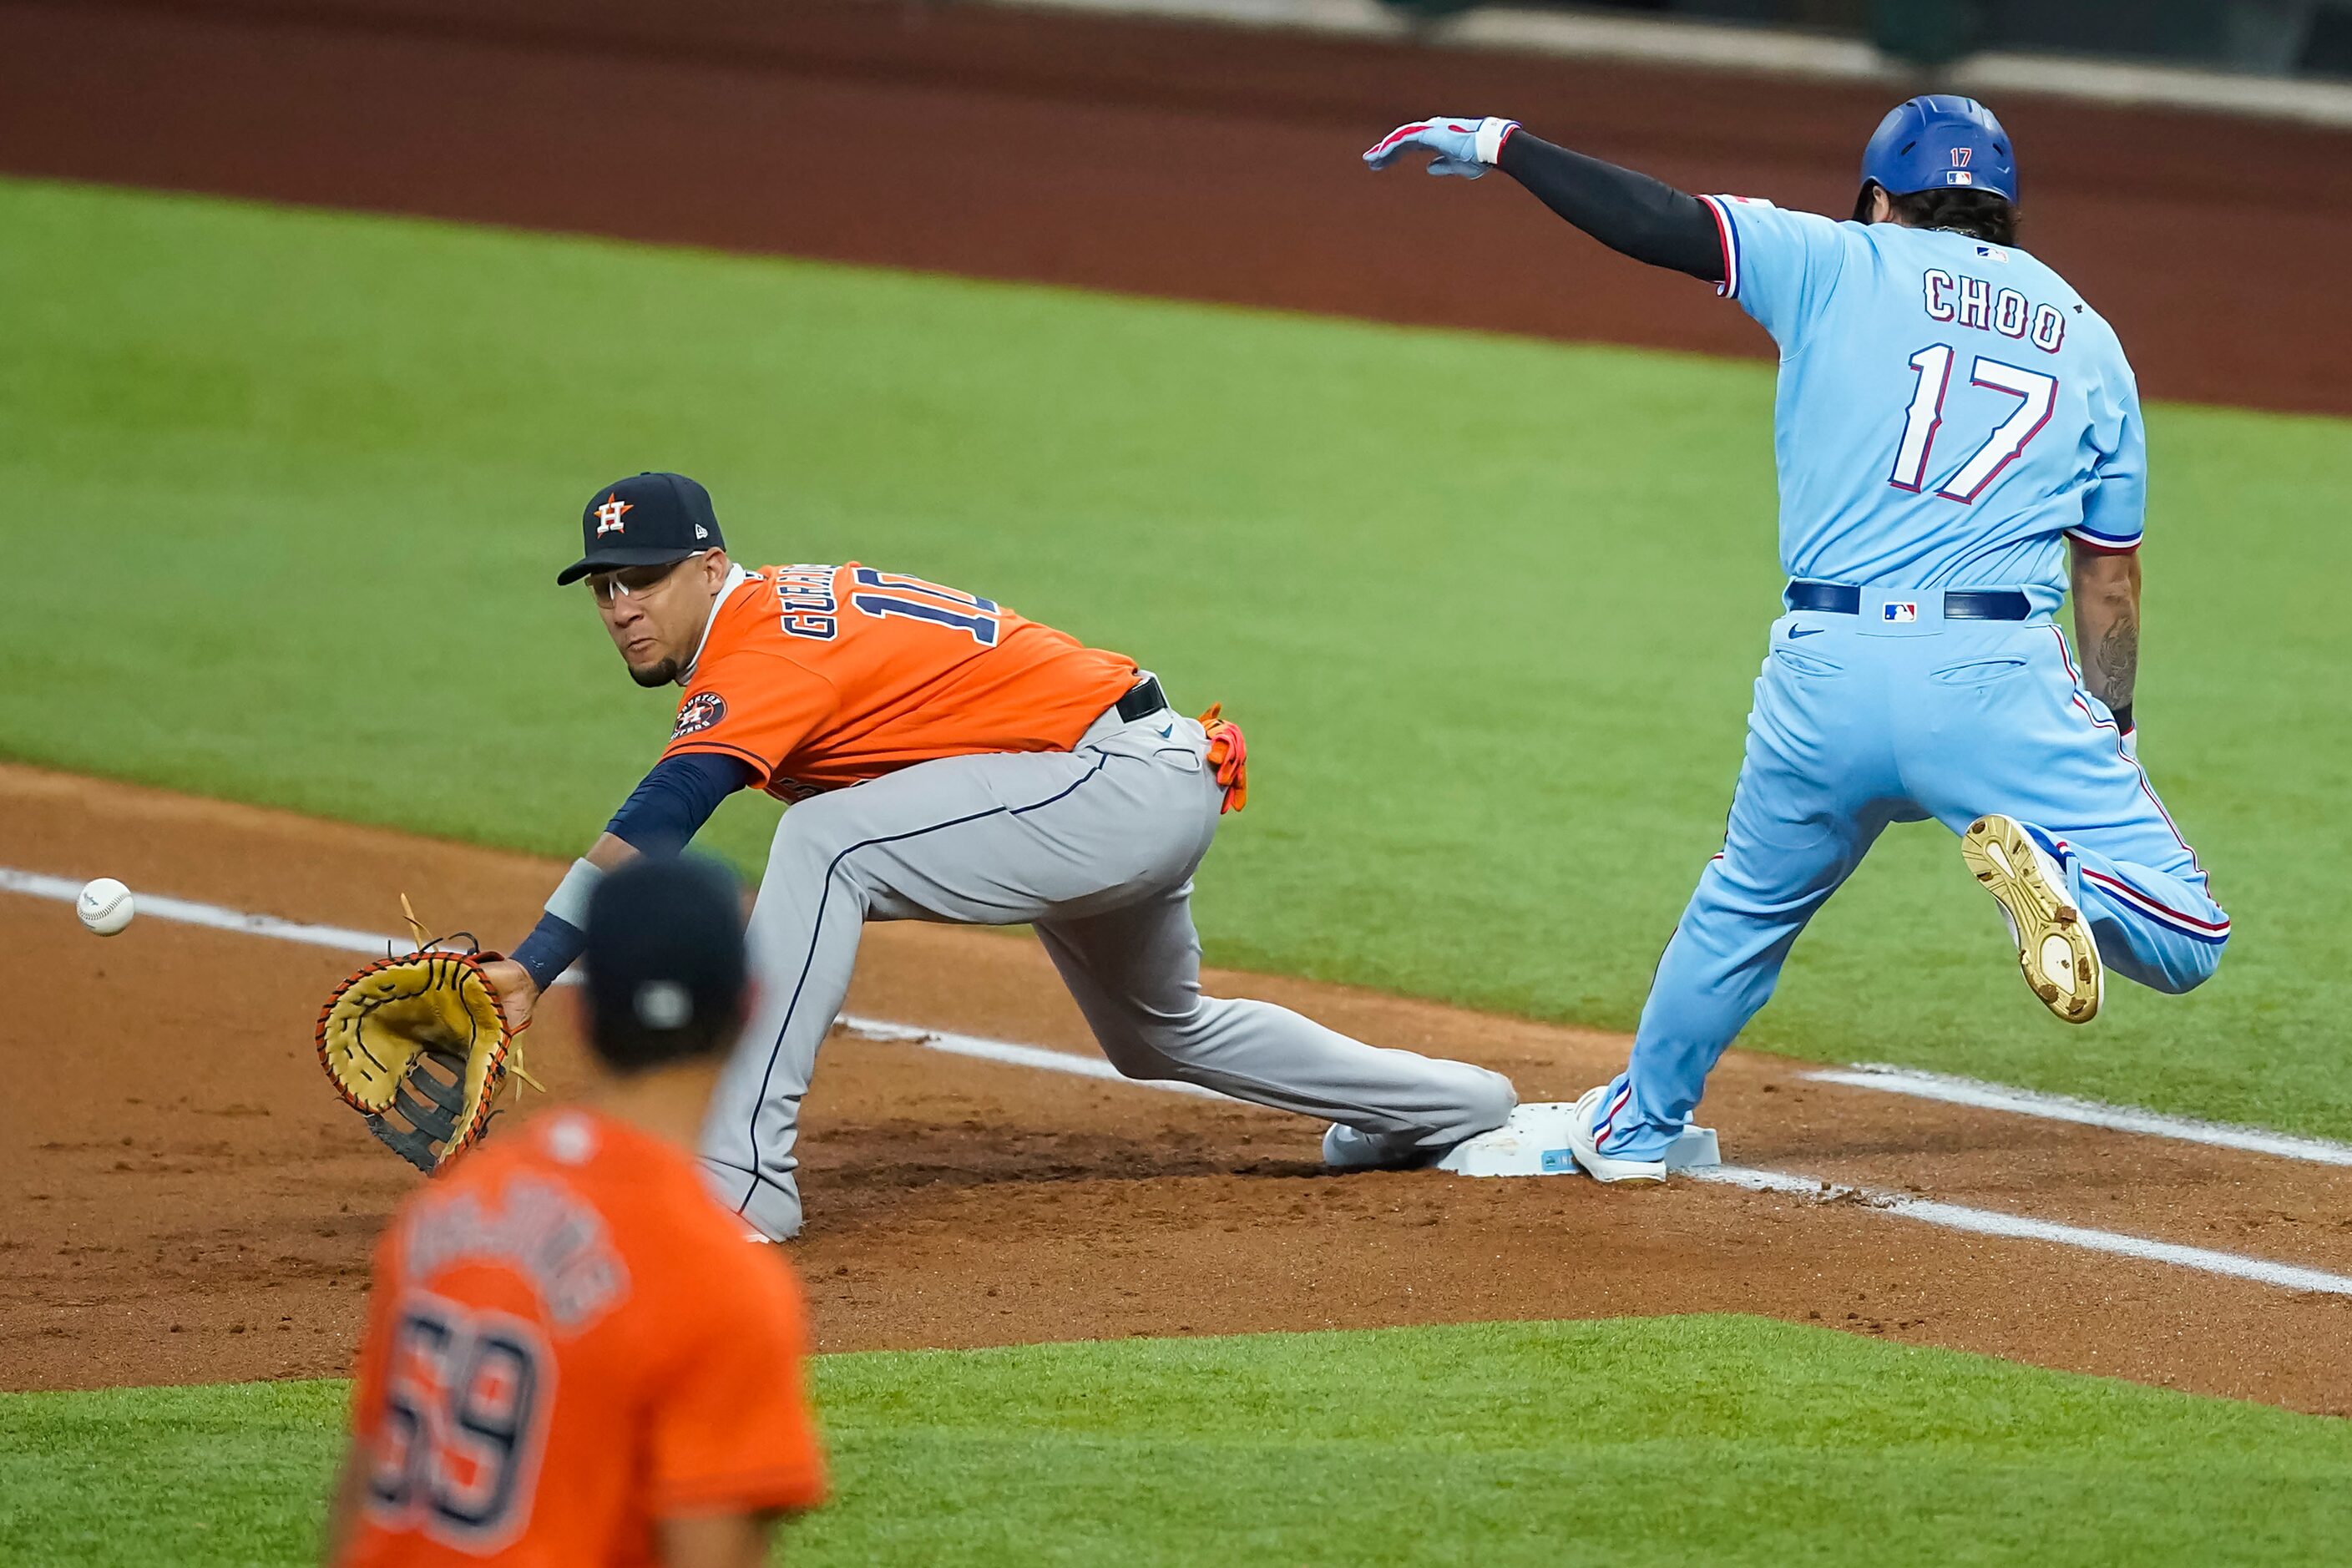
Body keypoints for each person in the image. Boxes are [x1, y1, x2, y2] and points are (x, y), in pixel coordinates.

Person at [1366, 97, 2228, 1182]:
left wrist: (1506, 147)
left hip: (1825, 669)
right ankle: (2066, 877)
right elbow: (2107, 569)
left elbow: (1661, 222)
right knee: (2187, 932)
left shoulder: (1836, 258)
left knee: (1741, 905)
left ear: (1878, 194)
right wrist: (2115, 726)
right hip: (1993, 680)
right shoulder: (2087, 335)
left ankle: (1634, 1131)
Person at [478, 471, 1517, 1238]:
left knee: (827, 845)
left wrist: (531, 963)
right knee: (1157, 1034)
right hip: (1116, 779)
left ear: (709, 567)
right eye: (604, 587)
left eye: (645, 581)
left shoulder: (758, 645)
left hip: (1107, 782)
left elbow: (668, 810)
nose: (621, 608)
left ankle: (742, 1179)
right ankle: (1452, 1107)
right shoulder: (771, 610)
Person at [325, 855, 827, 1567]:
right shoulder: (721, 1283)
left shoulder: (440, 1219)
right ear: (748, 1008)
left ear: (579, 1016)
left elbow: (361, 1505)